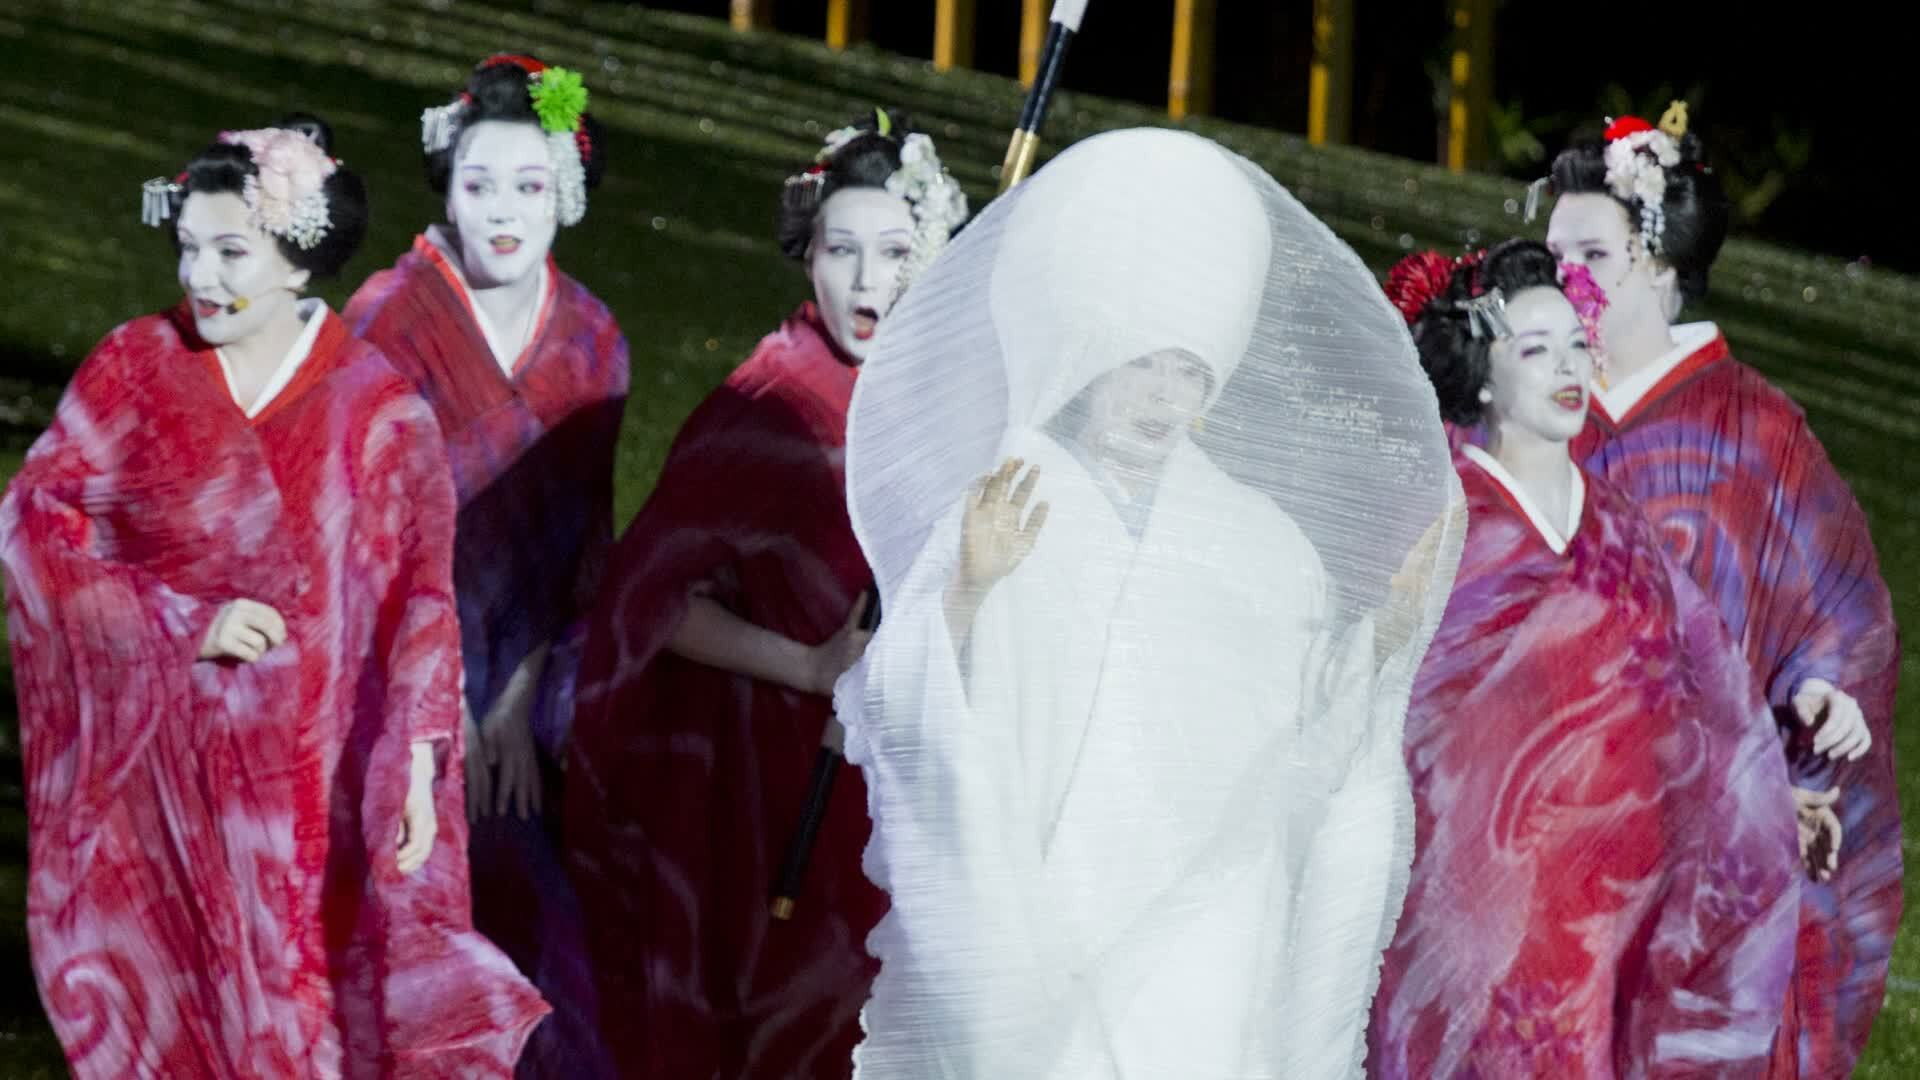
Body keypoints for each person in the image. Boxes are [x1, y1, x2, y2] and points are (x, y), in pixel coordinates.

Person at [836, 126, 1462, 1078]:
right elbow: (906, 701)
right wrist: (967, 592)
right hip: (1039, 914)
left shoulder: (1264, 542)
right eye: (1143, 364)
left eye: (1190, 373)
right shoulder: (1009, 493)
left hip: (1199, 949)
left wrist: (1377, 646)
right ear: (1092, 355)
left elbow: (1300, 746)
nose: (1162, 398)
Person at [1, 117, 547, 1078]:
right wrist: (181, 623)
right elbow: (33, 528)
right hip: (157, 776)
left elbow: (418, 597)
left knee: (306, 1020)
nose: (202, 278)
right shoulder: (135, 368)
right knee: (170, 1014)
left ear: (299, 257)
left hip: (308, 786)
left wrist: (419, 763)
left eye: (230, 252)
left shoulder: (377, 413)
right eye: (189, 248)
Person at [564, 107, 967, 1078]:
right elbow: (648, 605)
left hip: (911, 785)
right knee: (799, 1016)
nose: (869, 282)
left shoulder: (951, 399)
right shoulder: (765, 409)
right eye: (842, 251)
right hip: (775, 783)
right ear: (806, 256)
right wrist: (813, 664)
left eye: (897, 251)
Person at [1366, 239, 1801, 1077]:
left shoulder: (1623, 529)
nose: (1568, 368)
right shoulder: (1446, 522)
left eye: (1576, 344)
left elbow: (1703, 691)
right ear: (1483, 373)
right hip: (1471, 902)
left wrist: (1754, 793)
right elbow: (1390, 699)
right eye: (1535, 350)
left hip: (1614, 898)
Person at [1542, 104, 1900, 1074]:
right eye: (1551, 257)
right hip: (1535, 806)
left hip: (1694, 827)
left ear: (1659, 264)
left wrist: (1824, 692)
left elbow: (1837, 605)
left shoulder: (1759, 432)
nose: (1561, 283)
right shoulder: (1531, 403)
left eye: (1592, 257)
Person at [344, 53, 626, 1077]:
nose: (503, 213)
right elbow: (359, 540)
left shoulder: (594, 342)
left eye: (529, 186)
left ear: (568, 195)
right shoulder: (387, 322)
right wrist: (440, 697)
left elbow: (585, 541)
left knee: (552, 940)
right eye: (478, 185)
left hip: (529, 686)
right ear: (446, 189)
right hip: (391, 670)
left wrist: (515, 691)